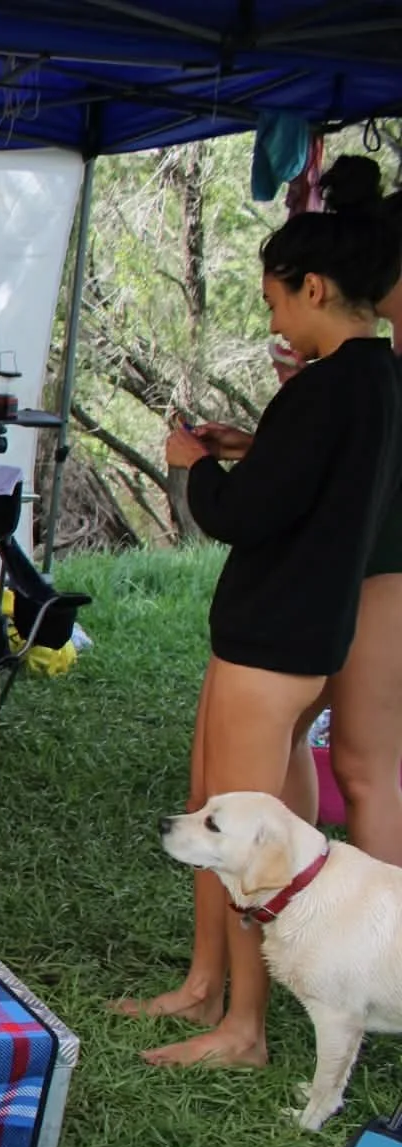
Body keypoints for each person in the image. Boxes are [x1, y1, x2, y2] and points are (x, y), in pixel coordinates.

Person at [112, 178, 402, 1068]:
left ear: (314, 286)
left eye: (276, 298)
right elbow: (325, 484)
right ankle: (211, 989)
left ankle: (243, 1028)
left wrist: (192, 464)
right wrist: (260, 444)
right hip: (308, 632)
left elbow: (242, 516)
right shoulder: (378, 376)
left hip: (271, 635)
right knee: (258, 809)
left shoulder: (321, 389)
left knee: (235, 837)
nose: (274, 321)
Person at [278, 159, 402, 868]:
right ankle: (301, 915)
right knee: (291, 740)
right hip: (342, 566)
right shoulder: (368, 366)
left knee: (361, 767)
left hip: (383, 567)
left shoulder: (374, 369)